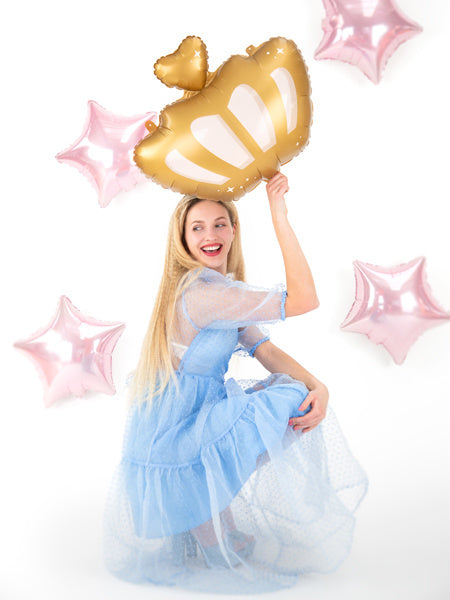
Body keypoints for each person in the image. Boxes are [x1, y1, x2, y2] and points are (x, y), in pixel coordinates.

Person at [104, 173, 367, 593]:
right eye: (197, 227)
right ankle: (207, 522)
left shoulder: (221, 291)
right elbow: (304, 299)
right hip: (173, 431)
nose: (210, 235)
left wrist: (320, 387)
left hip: (189, 418)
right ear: (182, 238)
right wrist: (279, 216)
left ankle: (211, 517)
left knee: (294, 393)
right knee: (283, 400)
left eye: (219, 224)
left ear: (233, 230)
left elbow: (266, 350)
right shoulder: (203, 294)